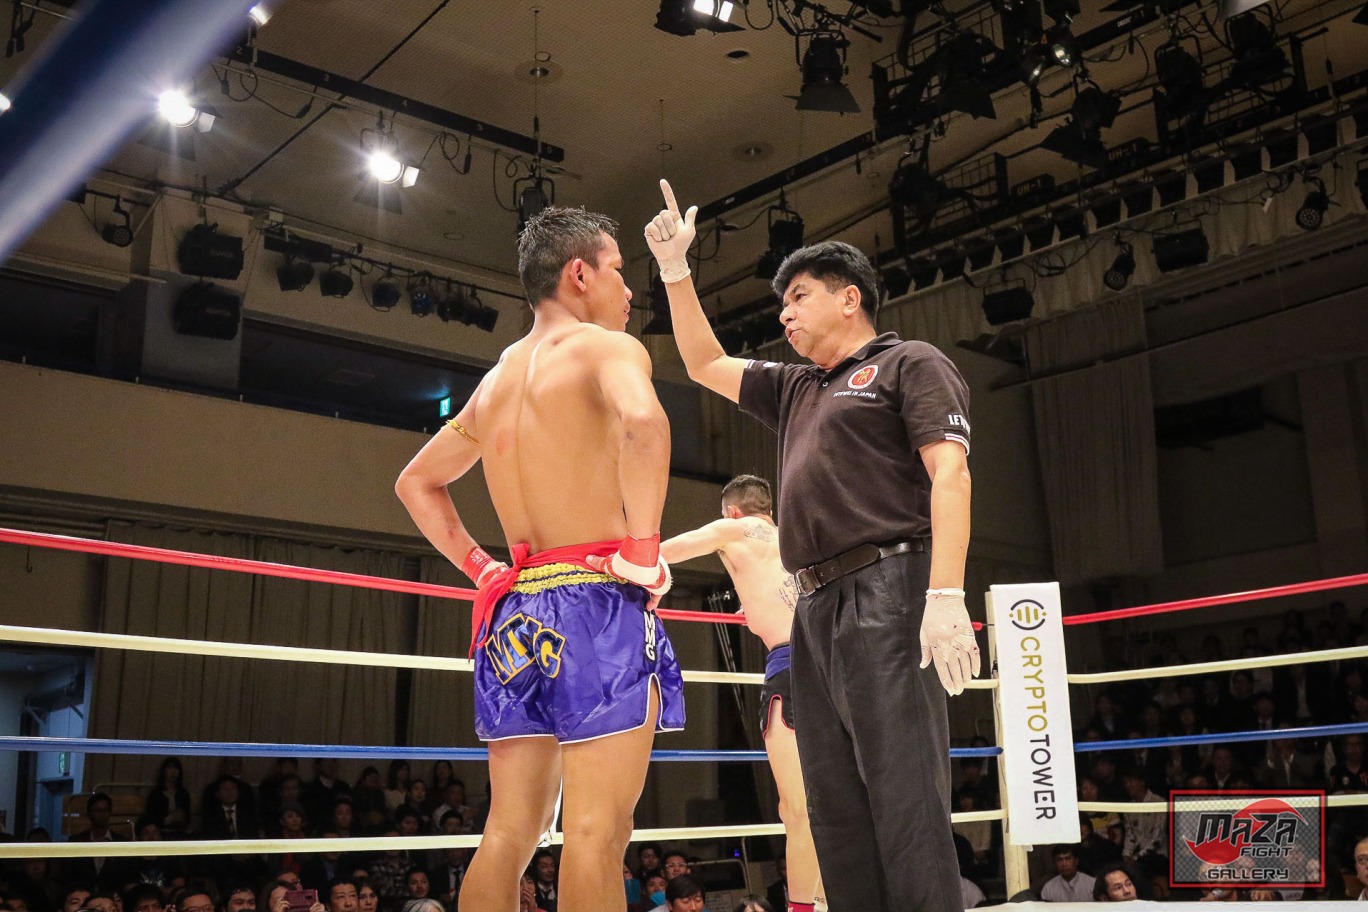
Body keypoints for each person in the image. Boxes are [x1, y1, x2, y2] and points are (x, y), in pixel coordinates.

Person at [644, 179, 976, 912]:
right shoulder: (797, 387)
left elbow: (950, 474)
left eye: (798, 297)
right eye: (782, 304)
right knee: (833, 801)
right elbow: (703, 364)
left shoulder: (909, 363)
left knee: (903, 790)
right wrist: (675, 270)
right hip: (813, 606)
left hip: (891, 585)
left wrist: (947, 594)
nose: (785, 313)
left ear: (849, 297)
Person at [395, 205, 685, 912]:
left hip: (515, 614)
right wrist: (643, 551)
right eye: (619, 271)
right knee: (596, 832)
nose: (629, 291)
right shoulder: (605, 348)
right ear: (579, 274)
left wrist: (481, 568)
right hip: (594, 604)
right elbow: (646, 423)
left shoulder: (498, 379)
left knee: (507, 833)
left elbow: (416, 482)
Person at [660, 474, 820, 912]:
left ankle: (805, 908)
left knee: (797, 811)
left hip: (791, 666)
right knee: (831, 802)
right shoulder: (796, 537)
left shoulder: (732, 529)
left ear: (732, 510)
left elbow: (661, 553)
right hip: (832, 665)